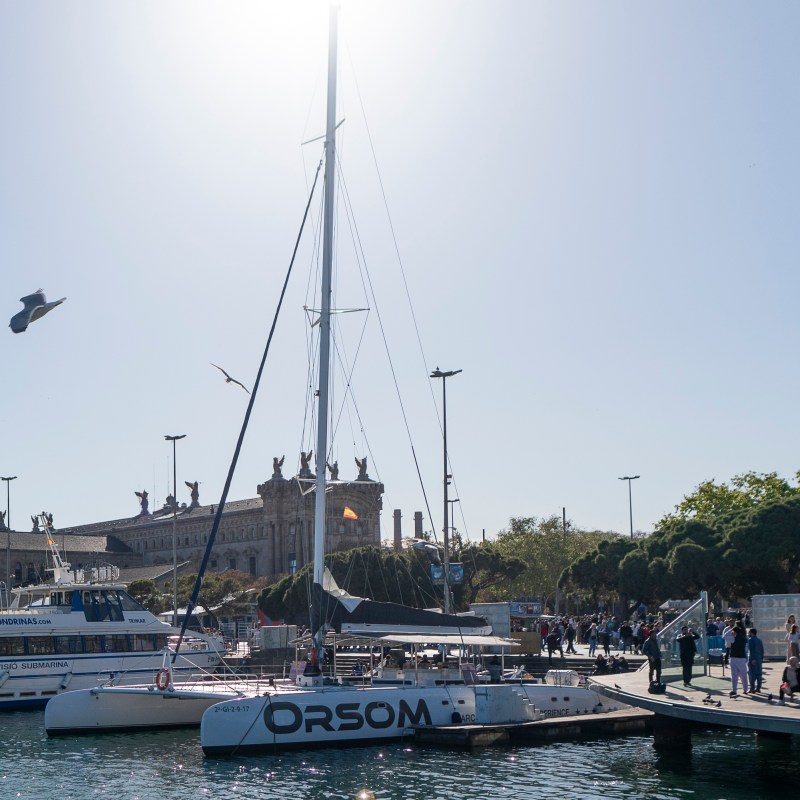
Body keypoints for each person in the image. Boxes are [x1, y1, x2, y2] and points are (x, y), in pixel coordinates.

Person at [726, 622, 748, 697]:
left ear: (734, 632)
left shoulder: (733, 638)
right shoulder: (744, 638)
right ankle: (745, 689)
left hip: (733, 657)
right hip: (742, 657)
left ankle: (734, 690)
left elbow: (724, 636)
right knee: (743, 675)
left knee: (734, 675)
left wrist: (731, 629)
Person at [747, 628, 764, 694]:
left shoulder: (751, 640)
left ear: (751, 633)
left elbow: (751, 650)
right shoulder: (759, 640)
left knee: (751, 674)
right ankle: (758, 688)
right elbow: (762, 650)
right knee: (759, 673)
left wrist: (752, 659)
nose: (749, 634)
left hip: (752, 658)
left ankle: (752, 688)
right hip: (759, 658)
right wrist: (761, 658)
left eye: (749, 633)